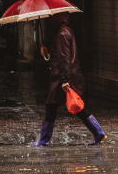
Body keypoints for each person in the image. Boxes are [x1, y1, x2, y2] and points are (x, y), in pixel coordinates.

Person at [29, 13, 108, 146]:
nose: (50, 19)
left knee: (62, 106)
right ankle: (97, 132)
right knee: (65, 106)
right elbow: (58, 55)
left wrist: (65, 80)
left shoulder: (62, 34)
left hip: (61, 77)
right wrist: (47, 54)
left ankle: (44, 140)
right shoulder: (65, 31)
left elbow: (64, 57)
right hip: (63, 75)